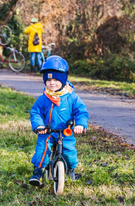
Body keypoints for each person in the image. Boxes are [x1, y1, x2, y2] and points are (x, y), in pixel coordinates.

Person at [29, 55, 89, 186]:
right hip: (48, 131)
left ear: (63, 80)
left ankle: (71, 169)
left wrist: (80, 124)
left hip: (65, 131)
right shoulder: (43, 98)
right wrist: (39, 125)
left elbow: (81, 111)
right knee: (42, 148)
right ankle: (38, 172)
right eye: (48, 80)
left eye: (56, 79)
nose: (52, 83)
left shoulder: (71, 97)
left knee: (69, 151)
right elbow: (35, 112)